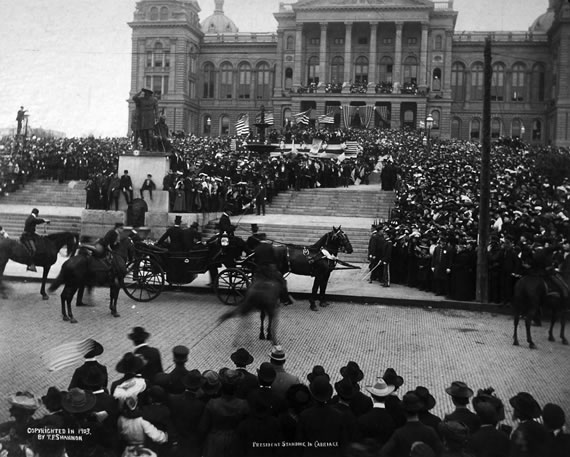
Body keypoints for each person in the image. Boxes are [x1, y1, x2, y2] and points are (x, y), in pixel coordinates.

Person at [379, 391, 443, 457]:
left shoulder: (399, 433)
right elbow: (441, 451)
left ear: (404, 411)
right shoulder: (430, 431)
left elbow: (383, 452)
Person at [253, 240, 293, 305]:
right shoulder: (270, 248)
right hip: (270, 269)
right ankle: (285, 299)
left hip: (260, 269)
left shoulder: (257, 248)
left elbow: (255, 260)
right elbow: (275, 259)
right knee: (282, 282)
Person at [21, 207, 50, 272]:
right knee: (33, 250)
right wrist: (45, 220)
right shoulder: (32, 218)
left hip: (29, 234)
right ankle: (30, 265)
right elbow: (37, 221)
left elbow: (32, 229)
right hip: (27, 236)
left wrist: (39, 234)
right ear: (37, 214)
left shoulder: (30, 217)